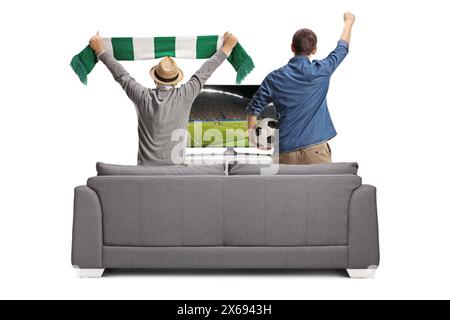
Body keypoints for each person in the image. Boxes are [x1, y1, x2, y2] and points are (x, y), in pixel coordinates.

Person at [89, 32, 238, 166]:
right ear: (176, 81)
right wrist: (227, 47)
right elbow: (205, 71)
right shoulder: (185, 94)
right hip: (176, 172)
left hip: (145, 173)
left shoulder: (142, 96)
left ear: (155, 79)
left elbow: (122, 76)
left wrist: (101, 51)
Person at [246, 13, 356, 165]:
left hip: (284, 153)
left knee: (284, 190)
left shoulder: (273, 78)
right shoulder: (322, 70)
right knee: (323, 190)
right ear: (314, 50)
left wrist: (253, 137)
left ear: (292, 47)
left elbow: (253, 108)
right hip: (316, 152)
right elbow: (342, 49)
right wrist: (348, 22)